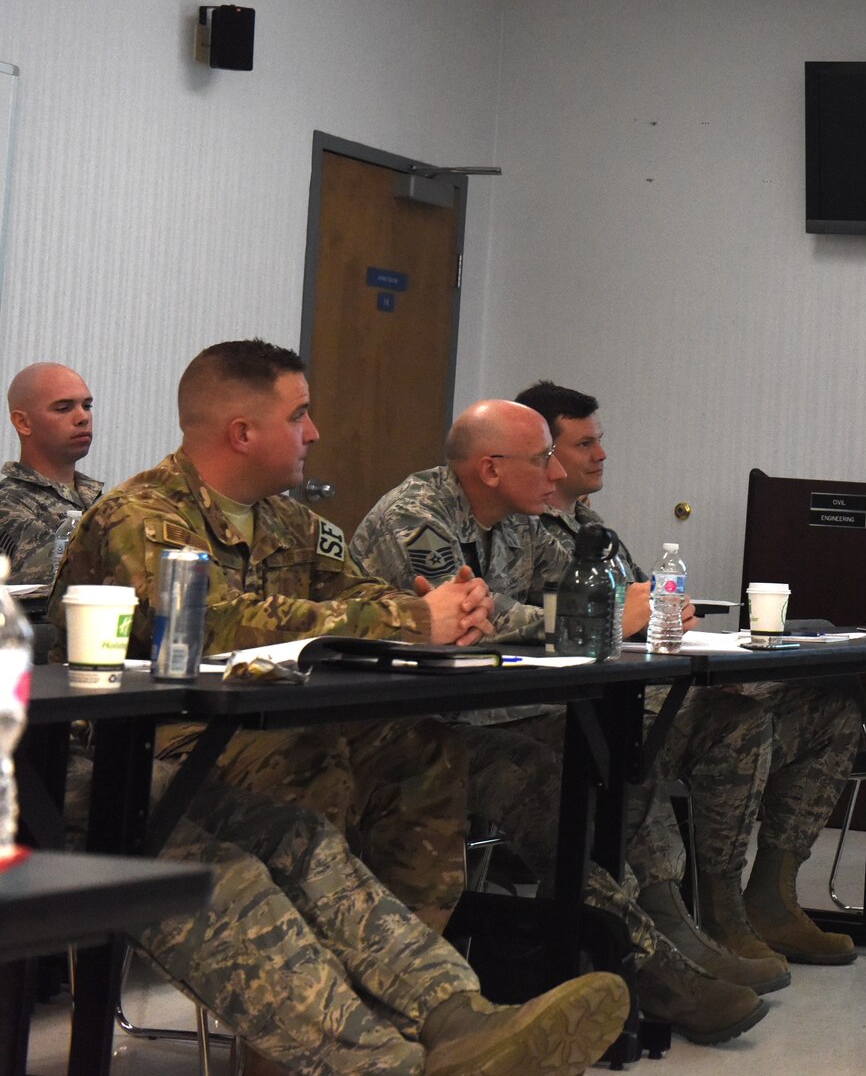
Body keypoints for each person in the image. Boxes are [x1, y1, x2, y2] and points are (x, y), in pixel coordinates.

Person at [351, 399, 768, 1044]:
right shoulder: (417, 519)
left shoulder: (522, 524)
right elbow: (472, 620)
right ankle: (652, 973)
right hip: (415, 727)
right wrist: (604, 616)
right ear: (491, 469)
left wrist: (644, 604)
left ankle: (657, 929)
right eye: (542, 456)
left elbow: (591, 591)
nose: (556, 470)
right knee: (547, 786)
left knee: (619, 754)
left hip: (497, 708)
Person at [51, 340, 494, 930]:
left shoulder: (289, 519)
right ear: (242, 433)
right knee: (308, 757)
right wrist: (414, 621)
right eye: (297, 416)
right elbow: (209, 625)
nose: (313, 433)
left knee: (425, 749)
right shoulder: (142, 516)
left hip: (260, 717)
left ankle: (410, 974)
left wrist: (446, 611)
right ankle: (320, 995)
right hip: (147, 737)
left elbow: (356, 593)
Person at [514, 380, 865, 977]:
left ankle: (771, 897)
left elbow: (651, 603)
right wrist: (633, 614)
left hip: (646, 690)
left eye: (600, 441)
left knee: (835, 711)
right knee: (738, 721)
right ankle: (716, 914)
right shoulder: (523, 530)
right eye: (584, 444)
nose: (601, 455)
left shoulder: (591, 525)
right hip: (580, 714)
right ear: (545, 451)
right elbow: (553, 627)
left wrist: (670, 611)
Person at [99, 770, 628, 1076]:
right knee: (209, 875)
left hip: (104, 750)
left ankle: (457, 1020)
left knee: (297, 837)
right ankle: (379, 1064)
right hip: (39, 777)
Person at [0, 361, 102, 583]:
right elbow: (59, 581)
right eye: (63, 408)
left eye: (87, 406)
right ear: (23, 422)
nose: (83, 417)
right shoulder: (8, 504)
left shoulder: (100, 500)